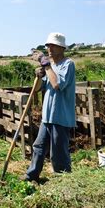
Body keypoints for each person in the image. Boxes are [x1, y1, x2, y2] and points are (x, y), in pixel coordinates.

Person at [23, 32, 76, 182]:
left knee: (58, 153)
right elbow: (39, 88)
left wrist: (45, 64)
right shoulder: (50, 66)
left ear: (61, 47)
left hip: (61, 116)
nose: (49, 48)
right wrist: (39, 75)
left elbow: (57, 85)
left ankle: (64, 181)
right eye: (48, 45)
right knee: (38, 147)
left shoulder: (68, 64)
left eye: (53, 45)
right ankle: (31, 176)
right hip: (48, 115)